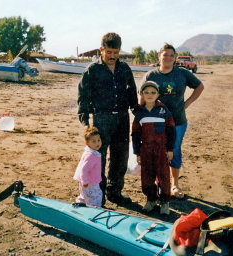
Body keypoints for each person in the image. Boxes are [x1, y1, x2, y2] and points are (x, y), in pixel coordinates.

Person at [78, 32, 139, 206]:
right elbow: (83, 97)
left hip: (122, 117)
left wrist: (138, 112)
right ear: (101, 50)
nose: (112, 56)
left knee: (120, 157)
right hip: (101, 118)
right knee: (99, 158)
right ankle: (99, 195)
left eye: (116, 52)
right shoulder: (92, 70)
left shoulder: (125, 68)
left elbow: (131, 92)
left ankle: (115, 192)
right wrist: (85, 123)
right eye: (109, 52)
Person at [142, 43, 204, 199]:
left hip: (177, 121)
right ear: (159, 56)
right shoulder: (151, 76)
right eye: (165, 54)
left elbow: (199, 86)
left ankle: (175, 185)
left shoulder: (182, 73)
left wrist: (187, 103)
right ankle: (160, 184)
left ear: (175, 57)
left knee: (174, 151)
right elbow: (142, 97)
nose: (168, 57)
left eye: (171, 55)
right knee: (157, 152)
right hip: (156, 122)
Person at [132, 81, 176, 215]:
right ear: (141, 94)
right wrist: (137, 152)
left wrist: (170, 149)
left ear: (157, 94)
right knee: (147, 174)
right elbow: (135, 134)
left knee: (163, 174)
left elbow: (171, 130)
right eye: (146, 92)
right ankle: (151, 199)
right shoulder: (140, 113)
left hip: (161, 150)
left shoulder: (163, 110)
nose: (150, 95)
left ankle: (164, 202)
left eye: (153, 92)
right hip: (145, 150)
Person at [73, 127, 103, 207]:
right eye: (93, 141)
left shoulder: (92, 152)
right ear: (87, 143)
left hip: (89, 181)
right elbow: (84, 170)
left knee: (85, 195)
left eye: (99, 140)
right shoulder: (90, 155)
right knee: (95, 197)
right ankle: (94, 210)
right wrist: (85, 182)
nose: (97, 143)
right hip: (89, 183)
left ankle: (80, 204)